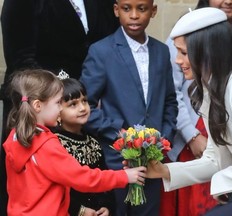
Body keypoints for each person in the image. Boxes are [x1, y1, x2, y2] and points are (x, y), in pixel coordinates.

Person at [147, 7, 232, 216]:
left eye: (184, 53)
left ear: (207, 51)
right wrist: (164, 171)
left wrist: (220, 182)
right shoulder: (211, 87)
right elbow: (215, 160)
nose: (177, 60)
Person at [0, 1, 119, 214]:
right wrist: (61, 95)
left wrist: (84, 97)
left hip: (82, 110)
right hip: (40, 110)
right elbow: (21, 62)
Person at [80, 0, 178, 215]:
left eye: (141, 9)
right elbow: (84, 105)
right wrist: (119, 133)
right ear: (116, 10)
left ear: (153, 11)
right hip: (116, 160)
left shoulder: (161, 51)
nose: (134, 15)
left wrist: (163, 139)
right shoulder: (101, 51)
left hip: (154, 158)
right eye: (127, 9)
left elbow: (170, 100)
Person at [3, 69, 146, 216]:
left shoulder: (16, 136)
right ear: (38, 106)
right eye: (58, 102)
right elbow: (83, 178)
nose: (60, 108)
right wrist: (124, 176)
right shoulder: (46, 144)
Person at [52, 75, 115, 216]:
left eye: (84, 101)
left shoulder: (93, 141)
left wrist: (106, 206)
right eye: (73, 104)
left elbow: (104, 177)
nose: (82, 108)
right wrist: (80, 210)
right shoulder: (55, 143)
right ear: (57, 111)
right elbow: (58, 189)